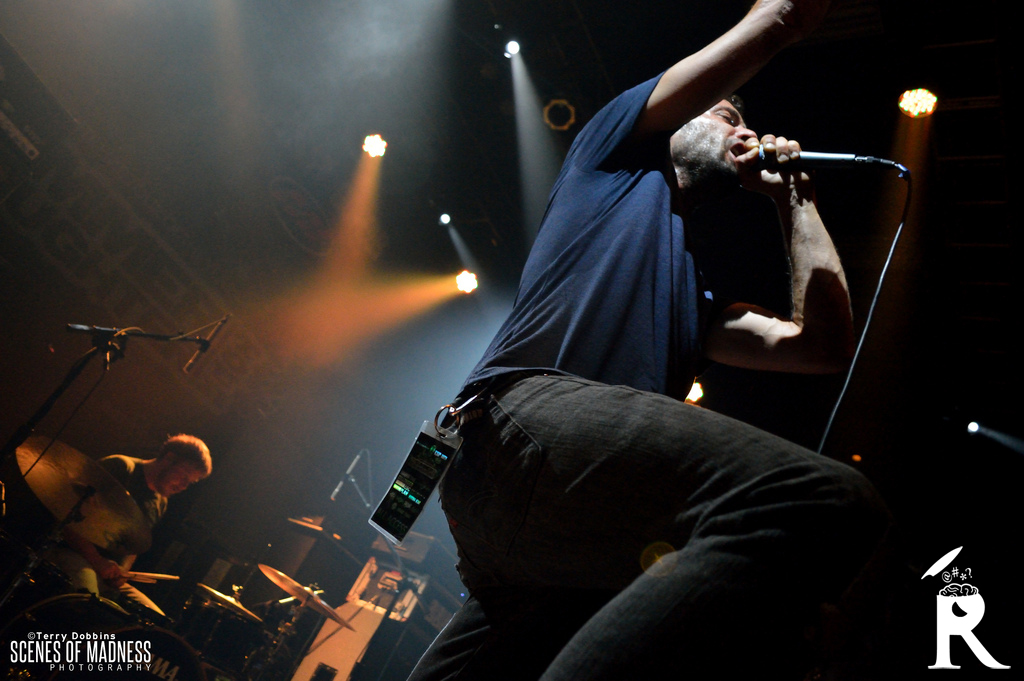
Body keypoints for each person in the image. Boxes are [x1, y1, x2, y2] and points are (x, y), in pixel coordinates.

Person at [408, 1, 891, 679]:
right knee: (821, 499)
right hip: (523, 425)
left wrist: (795, 202)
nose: (744, 129)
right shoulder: (610, 158)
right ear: (679, 118)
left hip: (540, 512)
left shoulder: (697, 298)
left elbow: (820, 346)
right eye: (727, 114)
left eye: (745, 121)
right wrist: (786, 17)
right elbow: (775, 18)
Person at [55, 434, 211, 602]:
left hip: (106, 572)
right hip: (71, 552)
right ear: (169, 458)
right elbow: (67, 513)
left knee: (149, 616)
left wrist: (122, 572)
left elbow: (134, 545)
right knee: (85, 601)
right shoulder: (121, 468)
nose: (184, 486)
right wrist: (97, 560)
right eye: (184, 477)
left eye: (190, 482)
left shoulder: (160, 503)